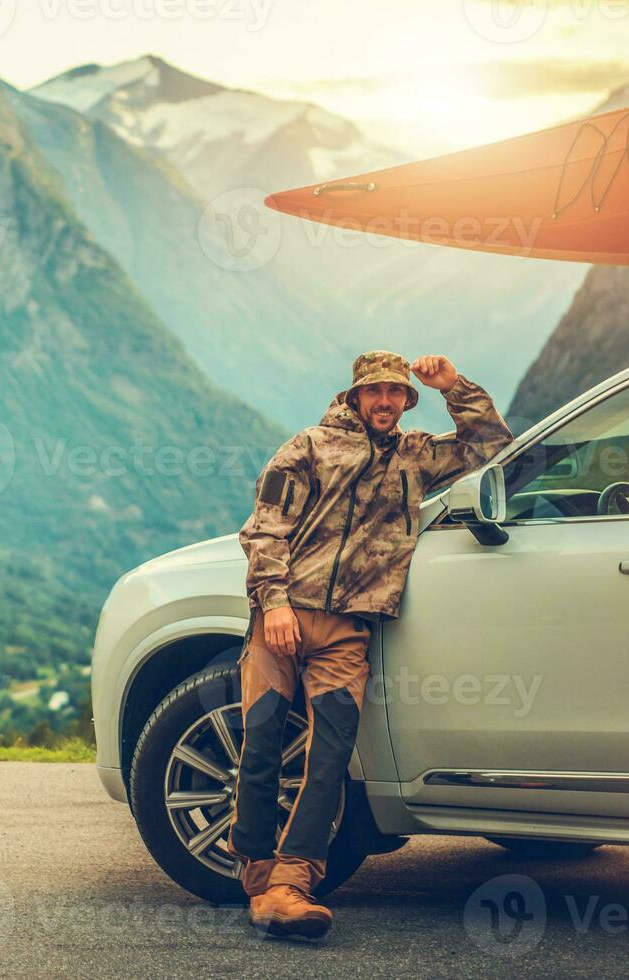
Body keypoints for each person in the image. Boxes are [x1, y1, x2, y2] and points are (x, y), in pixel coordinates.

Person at [229, 351, 513, 940]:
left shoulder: (416, 455)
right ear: (355, 396)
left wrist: (453, 386)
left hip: (348, 631)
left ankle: (291, 884)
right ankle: (256, 871)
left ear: (407, 400)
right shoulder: (307, 446)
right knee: (260, 745)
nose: (384, 402)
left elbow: (491, 447)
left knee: (328, 757)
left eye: (396, 393)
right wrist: (275, 601)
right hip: (283, 617)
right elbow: (265, 526)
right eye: (374, 392)